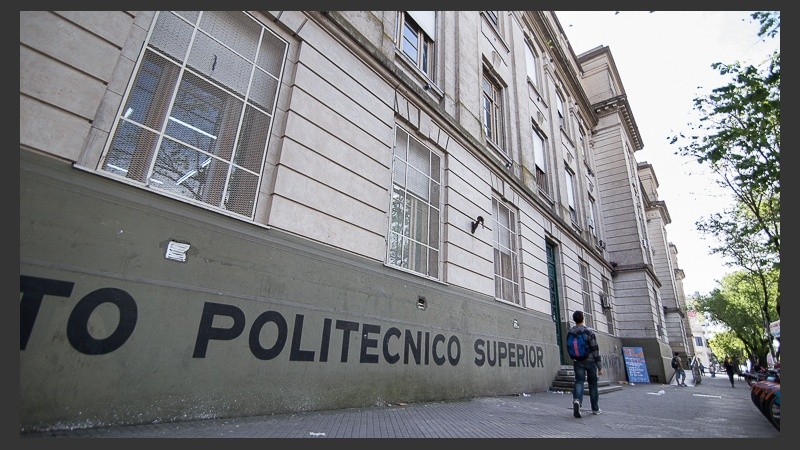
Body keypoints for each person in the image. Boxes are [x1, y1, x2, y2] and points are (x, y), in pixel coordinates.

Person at [568, 310, 603, 418]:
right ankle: (595, 408)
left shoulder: (570, 332)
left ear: (574, 320)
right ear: (583, 319)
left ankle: (577, 400)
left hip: (577, 361)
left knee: (579, 382)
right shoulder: (589, 332)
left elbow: (569, 347)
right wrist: (599, 367)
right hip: (590, 361)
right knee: (593, 384)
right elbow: (595, 349)